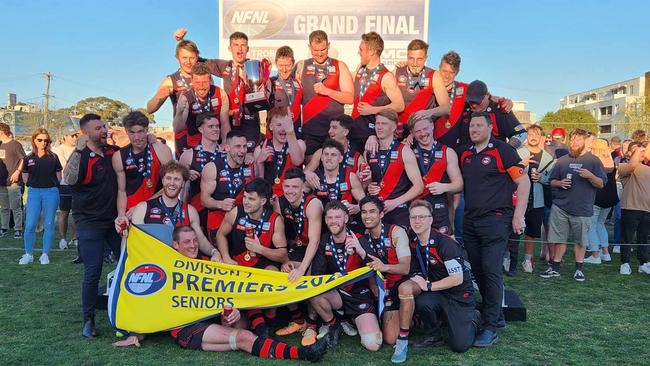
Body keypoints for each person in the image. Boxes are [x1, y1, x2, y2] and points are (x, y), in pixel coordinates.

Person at [114, 225, 327, 362]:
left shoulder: (208, 265)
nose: (193, 245)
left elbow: (228, 294)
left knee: (243, 317)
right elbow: (148, 304)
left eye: (195, 240)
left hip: (213, 320)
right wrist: (135, 334)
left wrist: (232, 311)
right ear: (175, 245)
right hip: (187, 330)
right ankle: (302, 354)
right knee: (244, 337)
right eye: (187, 242)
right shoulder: (168, 272)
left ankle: (263, 330)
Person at [459, 112, 529, 347]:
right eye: (472, 126)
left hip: (496, 220)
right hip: (470, 221)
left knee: (491, 270)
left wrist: (518, 215)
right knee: (477, 270)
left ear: (490, 128)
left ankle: (490, 327)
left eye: (480, 125)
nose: (474, 129)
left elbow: (523, 182)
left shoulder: (503, 150)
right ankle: (496, 315)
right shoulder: (466, 154)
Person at [393, 200, 477, 362]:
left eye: (422, 217)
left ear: (431, 220)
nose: (417, 221)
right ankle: (434, 335)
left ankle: (475, 318)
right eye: (413, 217)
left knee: (459, 345)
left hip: (459, 296)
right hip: (439, 293)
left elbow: (457, 279)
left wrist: (429, 285)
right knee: (419, 299)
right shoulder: (415, 241)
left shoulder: (445, 243)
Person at [63, 113, 121, 338]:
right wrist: (78, 150)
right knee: (93, 270)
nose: (104, 130)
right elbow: (69, 179)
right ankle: (88, 319)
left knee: (128, 266)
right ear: (86, 133)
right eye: (98, 128)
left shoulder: (112, 153)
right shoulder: (81, 155)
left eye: (104, 126)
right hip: (90, 222)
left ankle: (125, 311)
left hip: (115, 220)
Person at [216, 178, 288, 337]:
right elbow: (220, 234)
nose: (245, 201)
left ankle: (269, 320)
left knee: (275, 276)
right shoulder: (236, 212)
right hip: (238, 264)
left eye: (251, 198)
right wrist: (226, 257)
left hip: (262, 264)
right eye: (245, 197)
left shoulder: (275, 220)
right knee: (235, 327)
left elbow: (283, 254)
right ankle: (261, 327)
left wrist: (260, 249)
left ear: (263, 201)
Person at [310, 200, 382, 352]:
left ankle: (349, 320)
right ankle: (334, 323)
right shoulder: (324, 240)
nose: (333, 221)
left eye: (337, 217)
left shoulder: (359, 239)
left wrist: (361, 252)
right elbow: (316, 273)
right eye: (330, 217)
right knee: (315, 293)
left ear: (346, 219)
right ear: (325, 220)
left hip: (358, 295)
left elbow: (376, 268)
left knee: (373, 344)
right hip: (336, 292)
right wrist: (334, 279)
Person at [118, 161, 221, 261]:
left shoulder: (190, 211)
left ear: (183, 183)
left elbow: (200, 239)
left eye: (177, 179)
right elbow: (134, 241)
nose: (172, 183)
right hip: (153, 265)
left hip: (180, 267)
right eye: (168, 178)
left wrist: (214, 252)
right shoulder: (143, 208)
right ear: (162, 180)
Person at [541, 129, 606, 282]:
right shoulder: (562, 160)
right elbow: (551, 181)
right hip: (560, 207)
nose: (574, 142)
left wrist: (590, 176)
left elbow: (601, 183)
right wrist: (559, 183)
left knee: (581, 240)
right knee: (558, 239)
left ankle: (579, 269)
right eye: (572, 139)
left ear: (584, 141)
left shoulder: (594, 161)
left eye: (578, 139)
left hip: (583, 208)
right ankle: (555, 267)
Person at [274, 167, 323, 345]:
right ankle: (298, 320)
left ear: (303, 187)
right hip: (296, 246)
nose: (290, 191)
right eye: (287, 186)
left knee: (309, 277)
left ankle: (311, 325)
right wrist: (286, 260)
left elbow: (315, 241)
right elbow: (278, 234)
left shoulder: (313, 204)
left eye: (295, 187)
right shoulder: (279, 202)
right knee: (283, 273)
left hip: (317, 247)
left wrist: (302, 268)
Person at [356, 196, 410, 350]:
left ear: (381, 214)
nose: (367, 216)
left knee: (391, 338)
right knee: (389, 338)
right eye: (364, 212)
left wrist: (383, 267)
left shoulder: (396, 232)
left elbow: (405, 268)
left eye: (372, 211)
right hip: (382, 290)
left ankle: (414, 316)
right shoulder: (362, 238)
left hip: (401, 284)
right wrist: (373, 284)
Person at [294, 30, 354, 157]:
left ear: (329, 46)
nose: (320, 54)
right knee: (311, 172)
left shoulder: (340, 66)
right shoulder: (301, 65)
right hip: (310, 130)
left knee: (334, 171)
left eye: (323, 49)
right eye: (316, 50)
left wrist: (327, 91)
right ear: (309, 47)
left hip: (334, 131)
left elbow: (350, 98)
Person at [365, 109, 423, 228]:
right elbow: (365, 185)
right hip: (375, 212)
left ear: (393, 127)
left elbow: (419, 186)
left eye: (384, 124)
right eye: (377, 123)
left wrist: (396, 202)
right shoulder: (369, 150)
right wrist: (368, 184)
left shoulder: (404, 150)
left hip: (398, 211)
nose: (379, 127)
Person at [113, 111, 172, 225]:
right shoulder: (119, 156)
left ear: (146, 130)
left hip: (159, 209)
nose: (137, 137)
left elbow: (171, 184)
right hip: (131, 213)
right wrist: (121, 215)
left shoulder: (161, 150)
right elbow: (121, 191)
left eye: (140, 131)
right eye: (132, 132)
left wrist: (142, 206)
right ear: (126, 131)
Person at [408, 114, 463, 234]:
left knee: (446, 248)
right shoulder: (408, 152)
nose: (422, 134)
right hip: (415, 211)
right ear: (412, 133)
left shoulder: (447, 152)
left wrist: (444, 187)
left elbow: (459, 185)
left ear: (432, 126)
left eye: (425, 128)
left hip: (440, 212)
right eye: (418, 131)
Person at [350, 32, 404, 152]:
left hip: (372, 135)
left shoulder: (386, 76)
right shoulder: (361, 68)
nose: (359, 52)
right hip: (354, 132)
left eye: (361, 49)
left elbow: (399, 105)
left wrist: (372, 110)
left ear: (371, 52)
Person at [201, 130, 256, 243]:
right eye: (238, 146)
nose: (242, 150)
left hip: (243, 220)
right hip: (218, 220)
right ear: (227, 148)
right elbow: (204, 199)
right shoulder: (212, 167)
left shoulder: (250, 165)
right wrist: (220, 204)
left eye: (245, 147)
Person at [17, 129, 61, 265]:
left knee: (49, 224)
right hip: (34, 192)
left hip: (51, 192)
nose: (43, 142)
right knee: (30, 224)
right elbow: (25, 175)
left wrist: (52, 186)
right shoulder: (29, 158)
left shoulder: (53, 157)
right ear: (34, 140)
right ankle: (28, 254)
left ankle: (45, 254)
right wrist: (30, 184)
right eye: (40, 140)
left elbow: (59, 175)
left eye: (46, 140)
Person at [393, 39, 450, 139]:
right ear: (407, 57)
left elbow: (446, 108)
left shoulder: (434, 75)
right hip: (399, 132)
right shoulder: (397, 72)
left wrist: (428, 113)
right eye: (411, 58)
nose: (415, 63)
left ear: (426, 58)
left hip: (422, 134)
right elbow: (384, 104)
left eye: (419, 59)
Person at [517, 125, 555, 273]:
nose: (533, 136)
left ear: (541, 137)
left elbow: (551, 178)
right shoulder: (517, 153)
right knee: (511, 230)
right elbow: (509, 172)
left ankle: (528, 259)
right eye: (530, 133)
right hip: (518, 198)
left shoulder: (548, 157)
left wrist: (542, 178)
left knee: (531, 232)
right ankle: (507, 257)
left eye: (537, 134)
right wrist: (522, 165)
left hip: (538, 199)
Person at [172, 62, 229, 157]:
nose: (201, 87)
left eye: (205, 82)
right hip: (192, 145)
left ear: (210, 80)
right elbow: (177, 129)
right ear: (192, 81)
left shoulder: (220, 94)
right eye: (197, 82)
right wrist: (179, 112)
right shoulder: (186, 98)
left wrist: (224, 142)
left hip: (214, 144)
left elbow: (225, 123)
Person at [178, 112, 224, 230]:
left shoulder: (226, 153)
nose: (215, 130)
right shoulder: (188, 155)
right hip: (196, 211)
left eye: (217, 126)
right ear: (200, 129)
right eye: (210, 126)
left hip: (221, 212)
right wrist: (186, 175)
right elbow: (179, 187)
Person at [308, 139, 365, 225]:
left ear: (340, 158)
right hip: (322, 223)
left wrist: (357, 207)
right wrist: (306, 175)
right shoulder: (314, 177)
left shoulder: (350, 176)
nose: (329, 158)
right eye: (326, 154)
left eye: (333, 155)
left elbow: (364, 202)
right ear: (322, 158)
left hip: (346, 223)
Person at [253, 106, 306, 198]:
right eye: (279, 125)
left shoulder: (299, 143)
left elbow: (297, 161)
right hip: (269, 198)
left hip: (292, 197)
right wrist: (260, 162)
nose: (283, 129)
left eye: (286, 125)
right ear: (271, 126)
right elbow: (259, 186)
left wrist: (290, 131)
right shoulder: (260, 149)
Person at [617, 141, 650, 275]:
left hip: (647, 209)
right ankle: (625, 263)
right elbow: (632, 165)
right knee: (627, 238)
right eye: (636, 151)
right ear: (629, 153)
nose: (640, 153)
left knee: (643, 238)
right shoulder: (625, 166)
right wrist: (641, 148)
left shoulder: (648, 168)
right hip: (631, 208)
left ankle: (643, 263)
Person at [584, 138, 617, 264]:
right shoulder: (611, 160)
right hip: (610, 197)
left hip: (596, 197)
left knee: (591, 226)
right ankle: (606, 253)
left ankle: (595, 254)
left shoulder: (594, 161)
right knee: (601, 224)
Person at [52, 127, 78, 252]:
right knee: (64, 213)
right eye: (72, 135)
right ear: (64, 137)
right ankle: (62, 239)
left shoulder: (79, 148)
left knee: (77, 213)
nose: (74, 138)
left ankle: (75, 238)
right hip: (64, 184)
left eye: (75, 135)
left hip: (78, 185)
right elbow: (65, 166)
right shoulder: (58, 150)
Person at [268, 46, 303, 136]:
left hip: (295, 129)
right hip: (276, 132)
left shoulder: (298, 82)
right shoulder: (270, 82)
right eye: (281, 65)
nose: (284, 70)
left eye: (287, 65)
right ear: (276, 63)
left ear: (293, 63)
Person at [0, 122, 25, 238]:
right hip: (1, 182)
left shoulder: (15, 144)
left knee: (15, 207)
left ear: (2, 131)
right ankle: (4, 227)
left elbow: (23, 159)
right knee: (4, 207)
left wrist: (18, 172)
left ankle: (18, 228)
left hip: (13, 182)